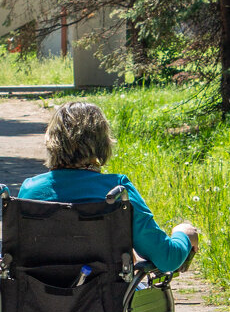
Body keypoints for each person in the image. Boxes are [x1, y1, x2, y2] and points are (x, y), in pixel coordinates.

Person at [18, 101, 198, 272]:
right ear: (102, 142)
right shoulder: (117, 190)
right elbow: (166, 258)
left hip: (39, 298)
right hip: (105, 298)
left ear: (52, 140)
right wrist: (184, 234)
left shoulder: (30, 189)